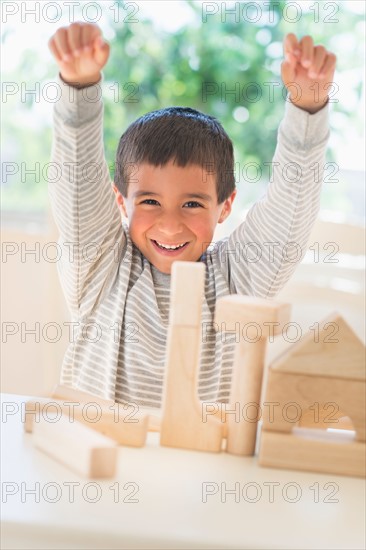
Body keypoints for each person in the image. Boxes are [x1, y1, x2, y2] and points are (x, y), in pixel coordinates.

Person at [47, 23, 336, 407]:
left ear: (225, 207)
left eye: (192, 204)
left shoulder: (236, 279)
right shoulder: (100, 266)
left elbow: (290, 209)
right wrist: (79, 88)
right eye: (150, 202)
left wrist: (307, 109)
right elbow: (76, 186)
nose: (169, 224)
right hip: (101, 461)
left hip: (200, 466)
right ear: (122, 203)